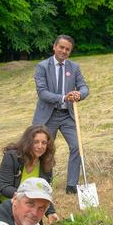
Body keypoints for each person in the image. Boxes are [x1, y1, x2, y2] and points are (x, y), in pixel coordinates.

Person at [32, 35, 89, 195]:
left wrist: (79, 94)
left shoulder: (74, 67)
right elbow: (42, 92)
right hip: (47, 116)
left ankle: (72, 186)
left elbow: (84, 87)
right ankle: (44, 183)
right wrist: (63, 97)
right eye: (61, 47)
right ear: (54, 47)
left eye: (67, 49)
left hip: (67, 115)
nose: (64, 51)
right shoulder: (42, 67)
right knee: (44, 149)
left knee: (77, 147)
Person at [0, 125, 59, 223]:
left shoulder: (46, 163)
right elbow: (5, 187)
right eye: (36, 142)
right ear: (28, 142)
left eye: (44, 143)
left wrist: (51, 212)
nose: (40, 146)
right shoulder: (12, 156)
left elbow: (44, 191)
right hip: (4, 201)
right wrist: (28, 197)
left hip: (30, 205)